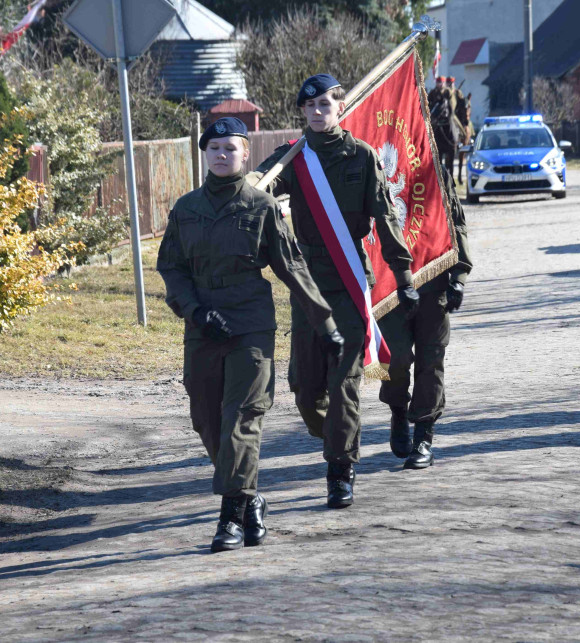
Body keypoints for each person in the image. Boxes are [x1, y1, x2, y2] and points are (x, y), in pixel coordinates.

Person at [156, 117, 344, 552]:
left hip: (250, 327)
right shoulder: (186, 209)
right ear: (205, 154)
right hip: (203, 327)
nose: (222, 154)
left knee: (241, 419)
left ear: (245, 155)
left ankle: (230, 519)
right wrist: (196, 312)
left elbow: (292, 269)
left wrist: (327, 325)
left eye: (231, 148)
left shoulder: (261, 207)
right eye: (215, 147)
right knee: (205, 419)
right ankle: (250, 497)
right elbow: (172, 267)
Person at [257, 74, 419, 509]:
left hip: (349, 281)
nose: (316, 112)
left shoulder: (362, 157)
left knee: (344, 381)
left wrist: (403, 277)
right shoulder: (294, 157)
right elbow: (260, 185)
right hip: (308, 285)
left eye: (324, 105)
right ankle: (334, 435)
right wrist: (245, 187)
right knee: (305, 390)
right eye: (309, 107)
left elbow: (386, 218)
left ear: (339, 107)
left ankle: (341, 468)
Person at [379, 164, 473, 468]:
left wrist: (459, 275)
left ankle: (423, 436)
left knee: (431, 360)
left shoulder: (433, 165)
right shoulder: (374, 164)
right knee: (395, 358)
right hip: (390, 285)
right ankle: (397, 410)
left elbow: (455, 220)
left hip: (434, 282)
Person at [428, 76, 457, 175]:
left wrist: (451, 112)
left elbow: (452, 103)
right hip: (435, 118)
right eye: (438, 82)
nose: (439, 84)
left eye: (441, 82)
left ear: (444, 83)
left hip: (447, 115)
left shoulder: (448, 92)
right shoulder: (433, 92)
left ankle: (458, 139)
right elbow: (428, 103)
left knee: (456, 123)